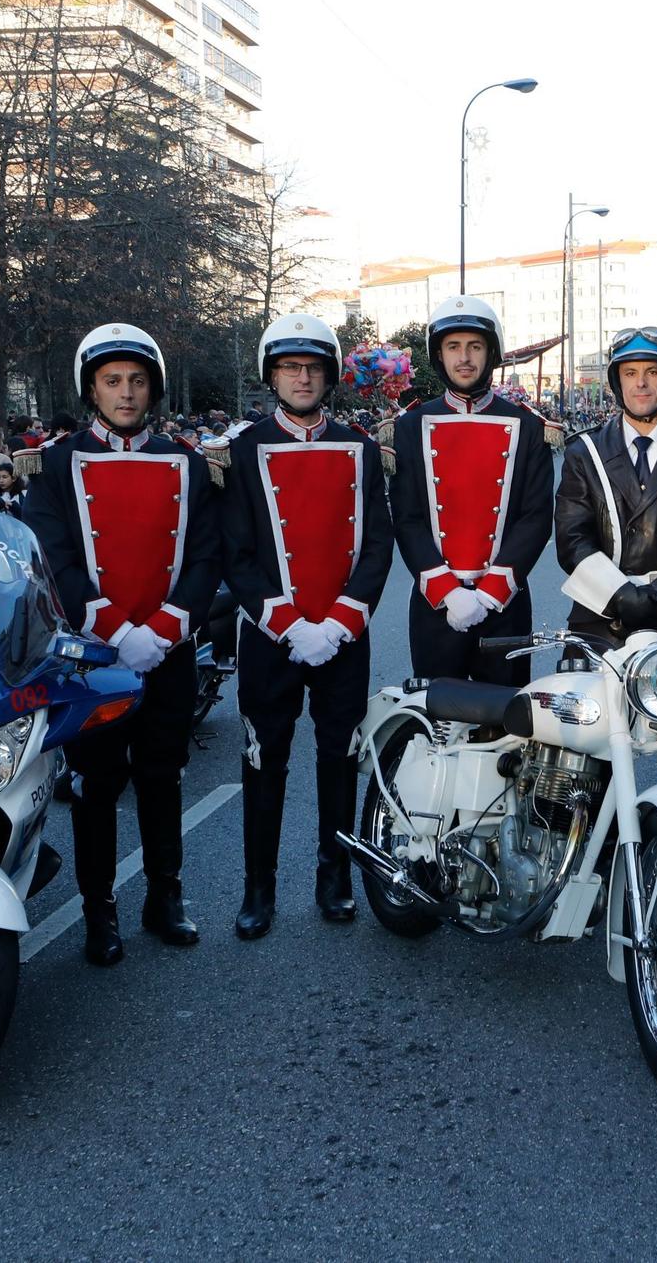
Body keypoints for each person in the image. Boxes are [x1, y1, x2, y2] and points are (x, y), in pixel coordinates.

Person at [22, 322, 220, 966]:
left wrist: (162, 630)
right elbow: (54, 556)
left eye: (137, 382)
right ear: (92, 390)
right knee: (95, 785)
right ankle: (97, 911)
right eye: (113, 382)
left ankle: (166, 898)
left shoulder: (186, 459)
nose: (126, 394)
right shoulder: (56, 462)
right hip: (92, 658)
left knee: (164, 778)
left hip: (167, 650)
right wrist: (112, 630)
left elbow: (203, 555)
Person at [220, 313, 394, 938]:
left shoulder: (363, 447)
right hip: (273, 636)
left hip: (342, 635)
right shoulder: (241, 450)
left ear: (329, 377)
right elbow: (235, 550)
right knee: (264, 760)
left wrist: (343, 619)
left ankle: (335, 877)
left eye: (313, 368)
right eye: (291, 368)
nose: (302, 378)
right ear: (273, 375)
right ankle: (258, 888)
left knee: (339, 757)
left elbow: (377, 543)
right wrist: (288, 622)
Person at [553, 325, 657, 720]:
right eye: (630, 373)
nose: (642, 384)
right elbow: (571, 537)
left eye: (652, 372)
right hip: (601, 616)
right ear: (617, 382)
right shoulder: (585, 451)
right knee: (591, 746)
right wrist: (623, 597)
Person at [388, 296, 557, 686]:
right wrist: (449, 592)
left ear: (491, 353)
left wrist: (490, 592)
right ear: (439, 356)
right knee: (437, 729)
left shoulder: (529, 426)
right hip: (437, 605)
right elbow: (407, 518)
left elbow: (535, 518)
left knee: (504, 729)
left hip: (505, 604)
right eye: (453, 347)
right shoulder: (410, 426)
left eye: (475, 347)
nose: (464, 358)